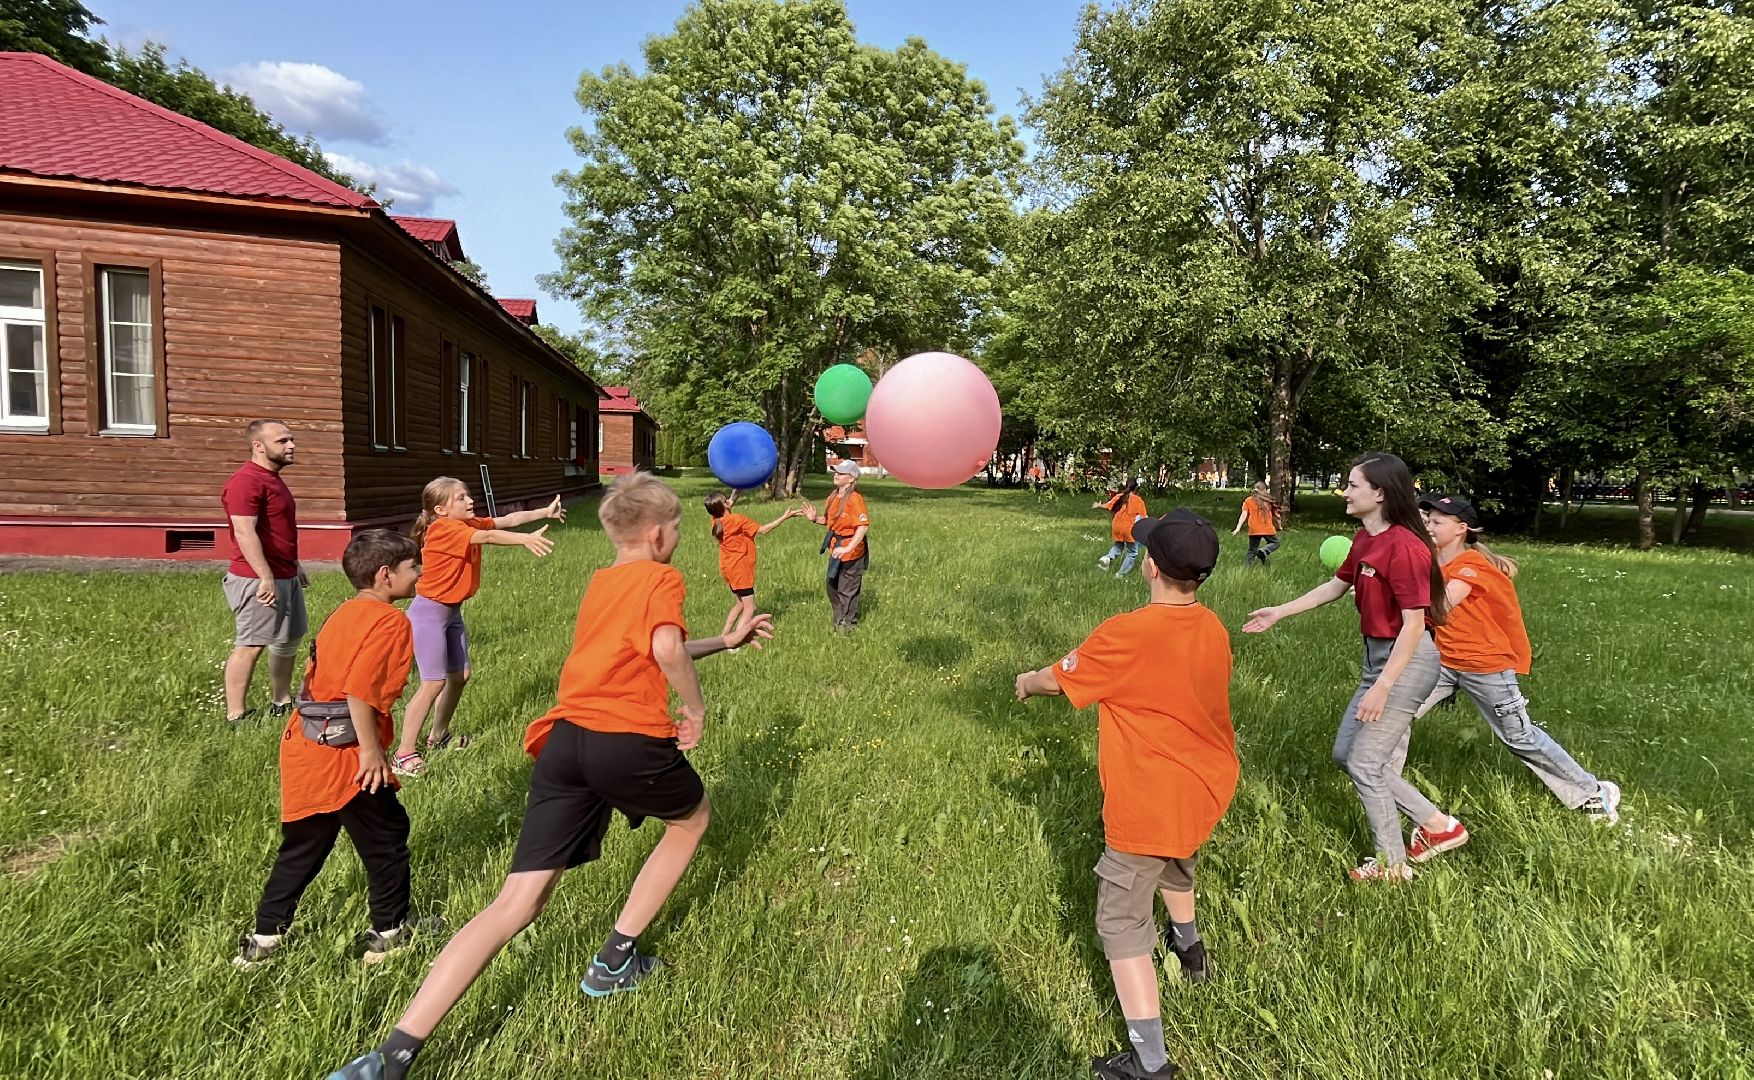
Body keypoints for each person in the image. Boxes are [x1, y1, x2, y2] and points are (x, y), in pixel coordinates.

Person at [326, 473, 773, 1080]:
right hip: (627, 739)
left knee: (516, 901)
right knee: (692, 821)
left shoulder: (603, 583)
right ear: (661, 534)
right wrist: (693, 711)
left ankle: (393, 1052)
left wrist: (725, 641)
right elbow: (665, 650)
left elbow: (646, 647)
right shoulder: (662, 576)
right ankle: (614, 960)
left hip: (565, 741)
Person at [1016, 509, 1235, 1080]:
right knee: (1177, 864)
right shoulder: (1211, 626)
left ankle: (1150, 1062)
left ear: (1152, 568)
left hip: (1149, 799)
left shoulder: (1127, 634)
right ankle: (1190, 952)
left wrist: (1025, 682)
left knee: (1120, 920)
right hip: (1204, 786)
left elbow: (1057, 679)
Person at [1243, 453, 1468, 881]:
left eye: (1353, 485)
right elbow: (1336, 584)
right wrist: (1280, 612)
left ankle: (1392, 864)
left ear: (1380, 493)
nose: (1345, 492)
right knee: (1347, 754)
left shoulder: (1404, 546)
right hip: (1377, 659)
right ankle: (1438, 826)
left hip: (1405, 662)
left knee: (1367, 763)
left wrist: (1383, 686)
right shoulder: (1365, 537)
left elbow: (1414, 623)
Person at [234, 530, 436, 969]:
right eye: (413, 567)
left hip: (306, 747)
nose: (419, 574)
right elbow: (359, 692)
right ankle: (388, 934)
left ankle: (264, 940)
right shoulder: (390, 621)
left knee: (303, 848)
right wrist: (370, 753)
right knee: (386, 841)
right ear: (386, 575)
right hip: (348, 757)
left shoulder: (346, 611)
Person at [1416, 493, 1621, 824]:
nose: (1429, 526)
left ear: (1461, 529)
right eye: (1428, 520)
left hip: (1486, 667)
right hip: (1443, 664)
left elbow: (1439, 607)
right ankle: (1379, 781)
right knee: (1397, 716)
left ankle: (1593, 791)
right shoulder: (1433, 560)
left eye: (1437, 521)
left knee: (1519, 737)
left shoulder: (1471, 567)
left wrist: (1392, 599)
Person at [392, 479, 562, 778]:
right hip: (429, 612)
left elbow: (506, 519)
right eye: (461, 498)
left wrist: (544, 512)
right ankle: (404, 753)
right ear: (441, 509)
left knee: (459, 676)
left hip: (450, 611)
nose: (469, 500)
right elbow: (489, 536)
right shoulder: (443, 529)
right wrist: (523, 540)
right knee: (433, 683)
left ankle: (438, 736)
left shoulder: (465, 523)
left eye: (468, 494)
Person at [220, 419, 309, 725]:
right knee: (251, 644)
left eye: (291, 439)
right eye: (283, 441)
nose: (291, 446)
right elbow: (245, 532)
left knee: (288, 639)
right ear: (258, 446)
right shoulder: (246, 481)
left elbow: (277, 531)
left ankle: (281, 701)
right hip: (256, 578)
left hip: (284, 573)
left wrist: (295, 566)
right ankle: (236, 715)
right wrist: (265, 576)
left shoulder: (272, 479)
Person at [703, 490, 803, 639]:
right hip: (740, 569)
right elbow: (763, 530)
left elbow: (727, 507)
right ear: (724, 505)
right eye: (726, 501)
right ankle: (736, 641)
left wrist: (738, 489)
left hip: (728, 568)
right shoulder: (738, 520)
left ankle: (723, 637)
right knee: (750, 607)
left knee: (740, 604)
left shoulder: (716, 521)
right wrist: (785, 517)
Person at [801, 459, 870, 631]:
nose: (836, 475)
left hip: (852, 550)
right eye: (836, 471)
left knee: (848, 588)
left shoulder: (855, 499)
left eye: (841, 473)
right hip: (835, 547)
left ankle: (847, 626)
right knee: (831, 585)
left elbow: (862, 526)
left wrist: (849, 547)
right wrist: (815, 519)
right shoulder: (833, 496)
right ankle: (840, 618)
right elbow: (829, 522)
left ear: (852, 478)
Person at [1093, 479, 1147, 575]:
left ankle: (1107, 558)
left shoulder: (1119, 496)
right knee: (1132, 552)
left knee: (1118, 546)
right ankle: (1120, 574)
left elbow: (1108, 506)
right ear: (1136, 488)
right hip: (1128, 528)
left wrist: (1098, 505)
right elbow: (1144, 517)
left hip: (1116, 526)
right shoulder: (1138, 500)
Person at [1232, 481, 1283, 565]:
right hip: (1267, 529)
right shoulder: (1269, 501)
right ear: (1265, 490)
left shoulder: (1248, 500)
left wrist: (1238, 528)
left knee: (1252, 550)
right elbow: (1277, 516)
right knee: (1275, 543)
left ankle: (1246, 568)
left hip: (1254, 529)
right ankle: (1264, 551)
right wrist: (1280, 526)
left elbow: (1244, 514)